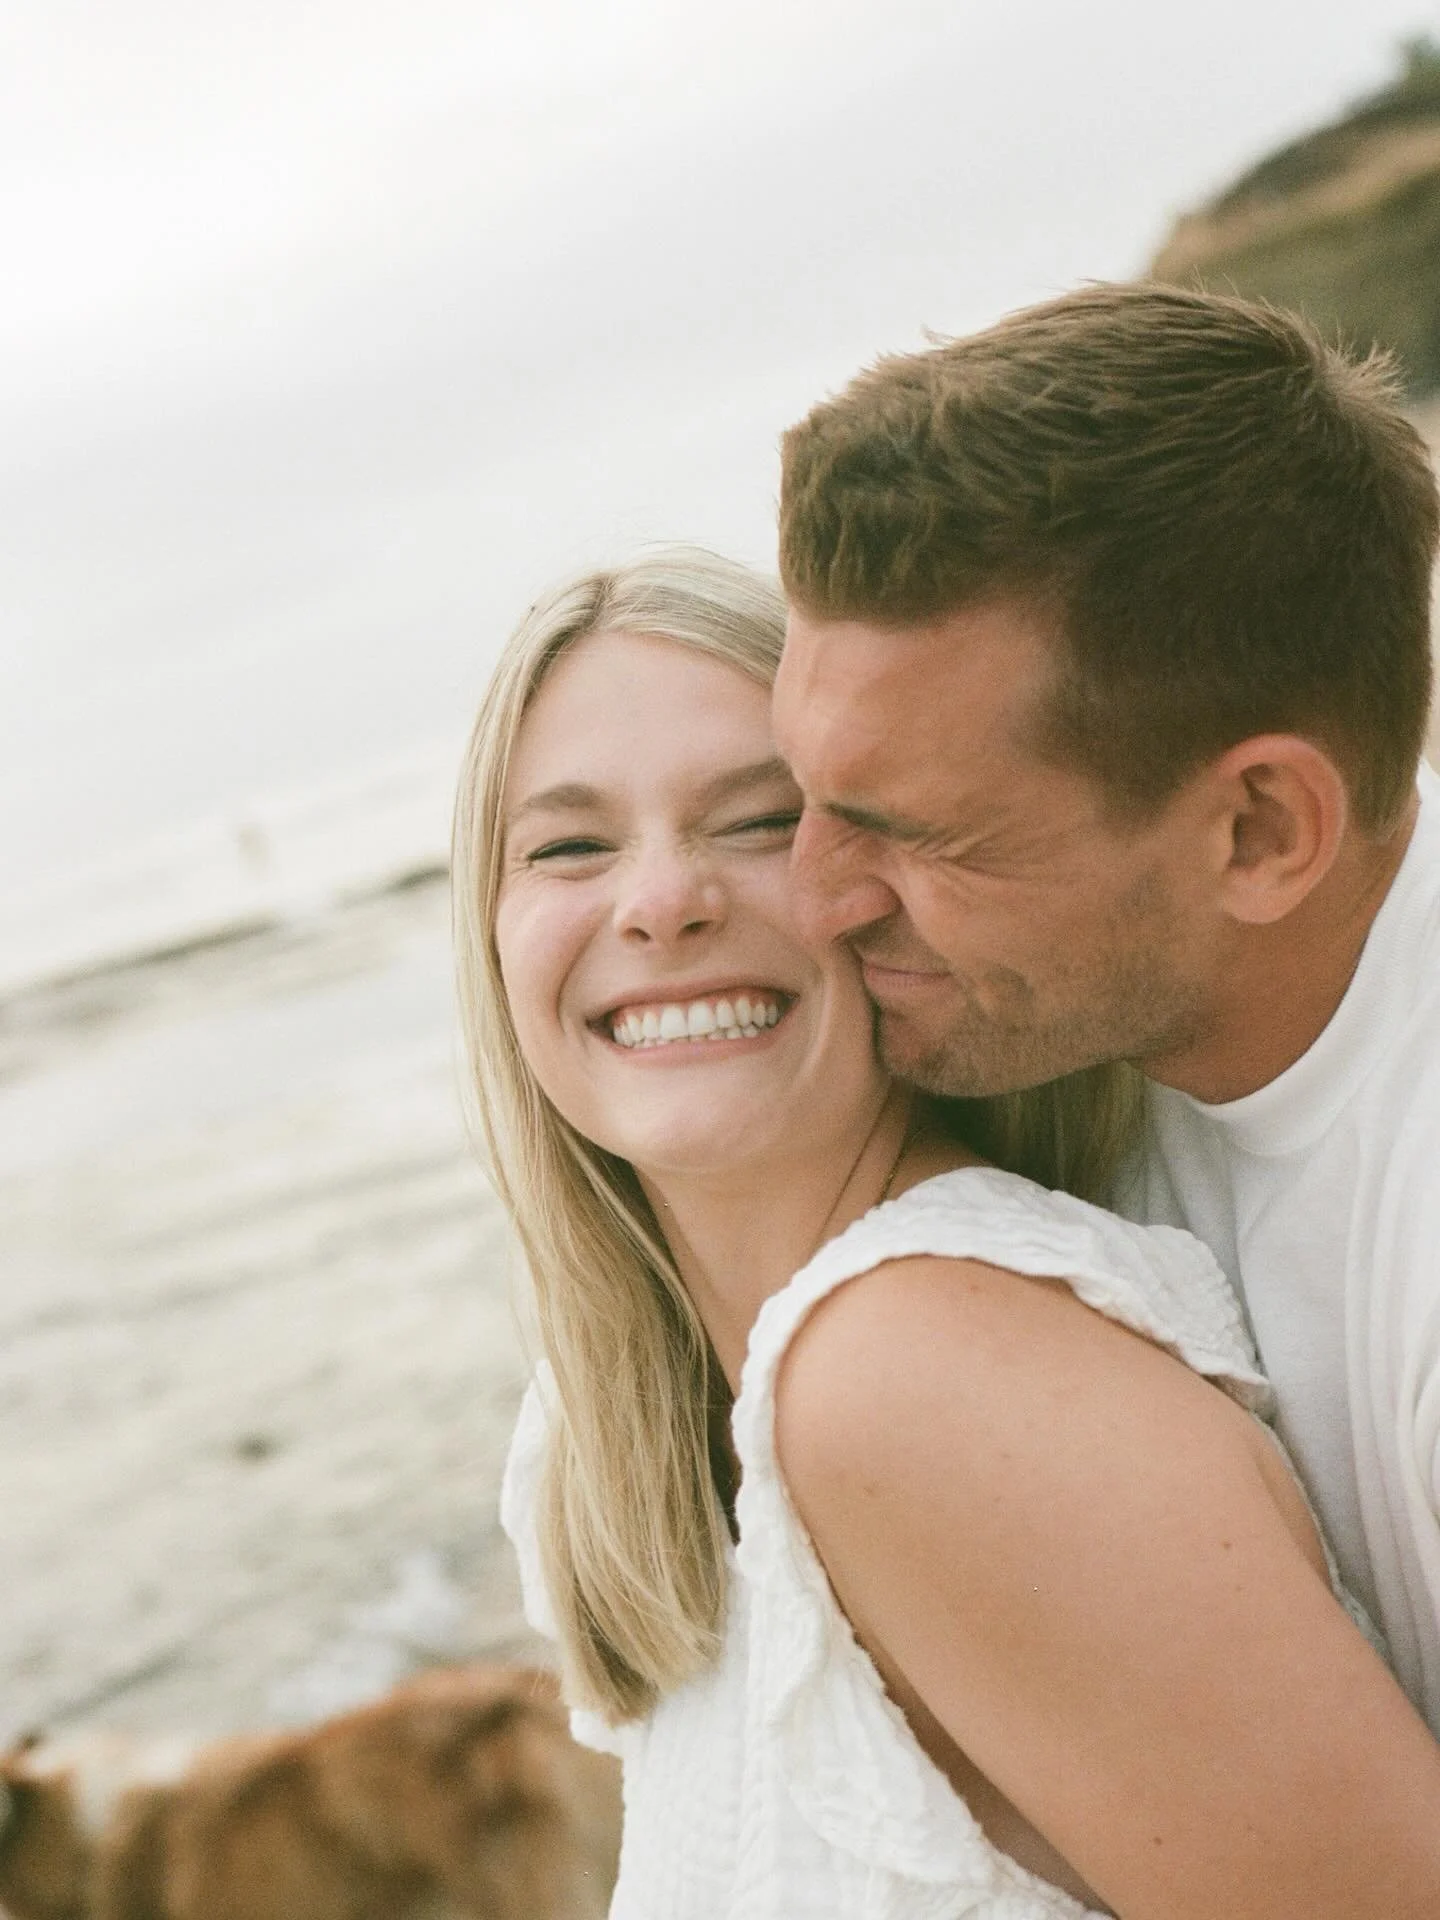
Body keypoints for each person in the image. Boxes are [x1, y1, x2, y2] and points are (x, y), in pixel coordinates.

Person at [453, 547, 1440, 1920]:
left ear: (885, 885)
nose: (659, 900)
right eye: (569, 845)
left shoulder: (921, 1377)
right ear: (488, 934)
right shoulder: (608, 1428)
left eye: (757, 822)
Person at [773, 282, 1440, 1735]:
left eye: (921, 835)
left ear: (1260, 834)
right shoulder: (1056, 1071)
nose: (816, 897)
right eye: (796, 800)